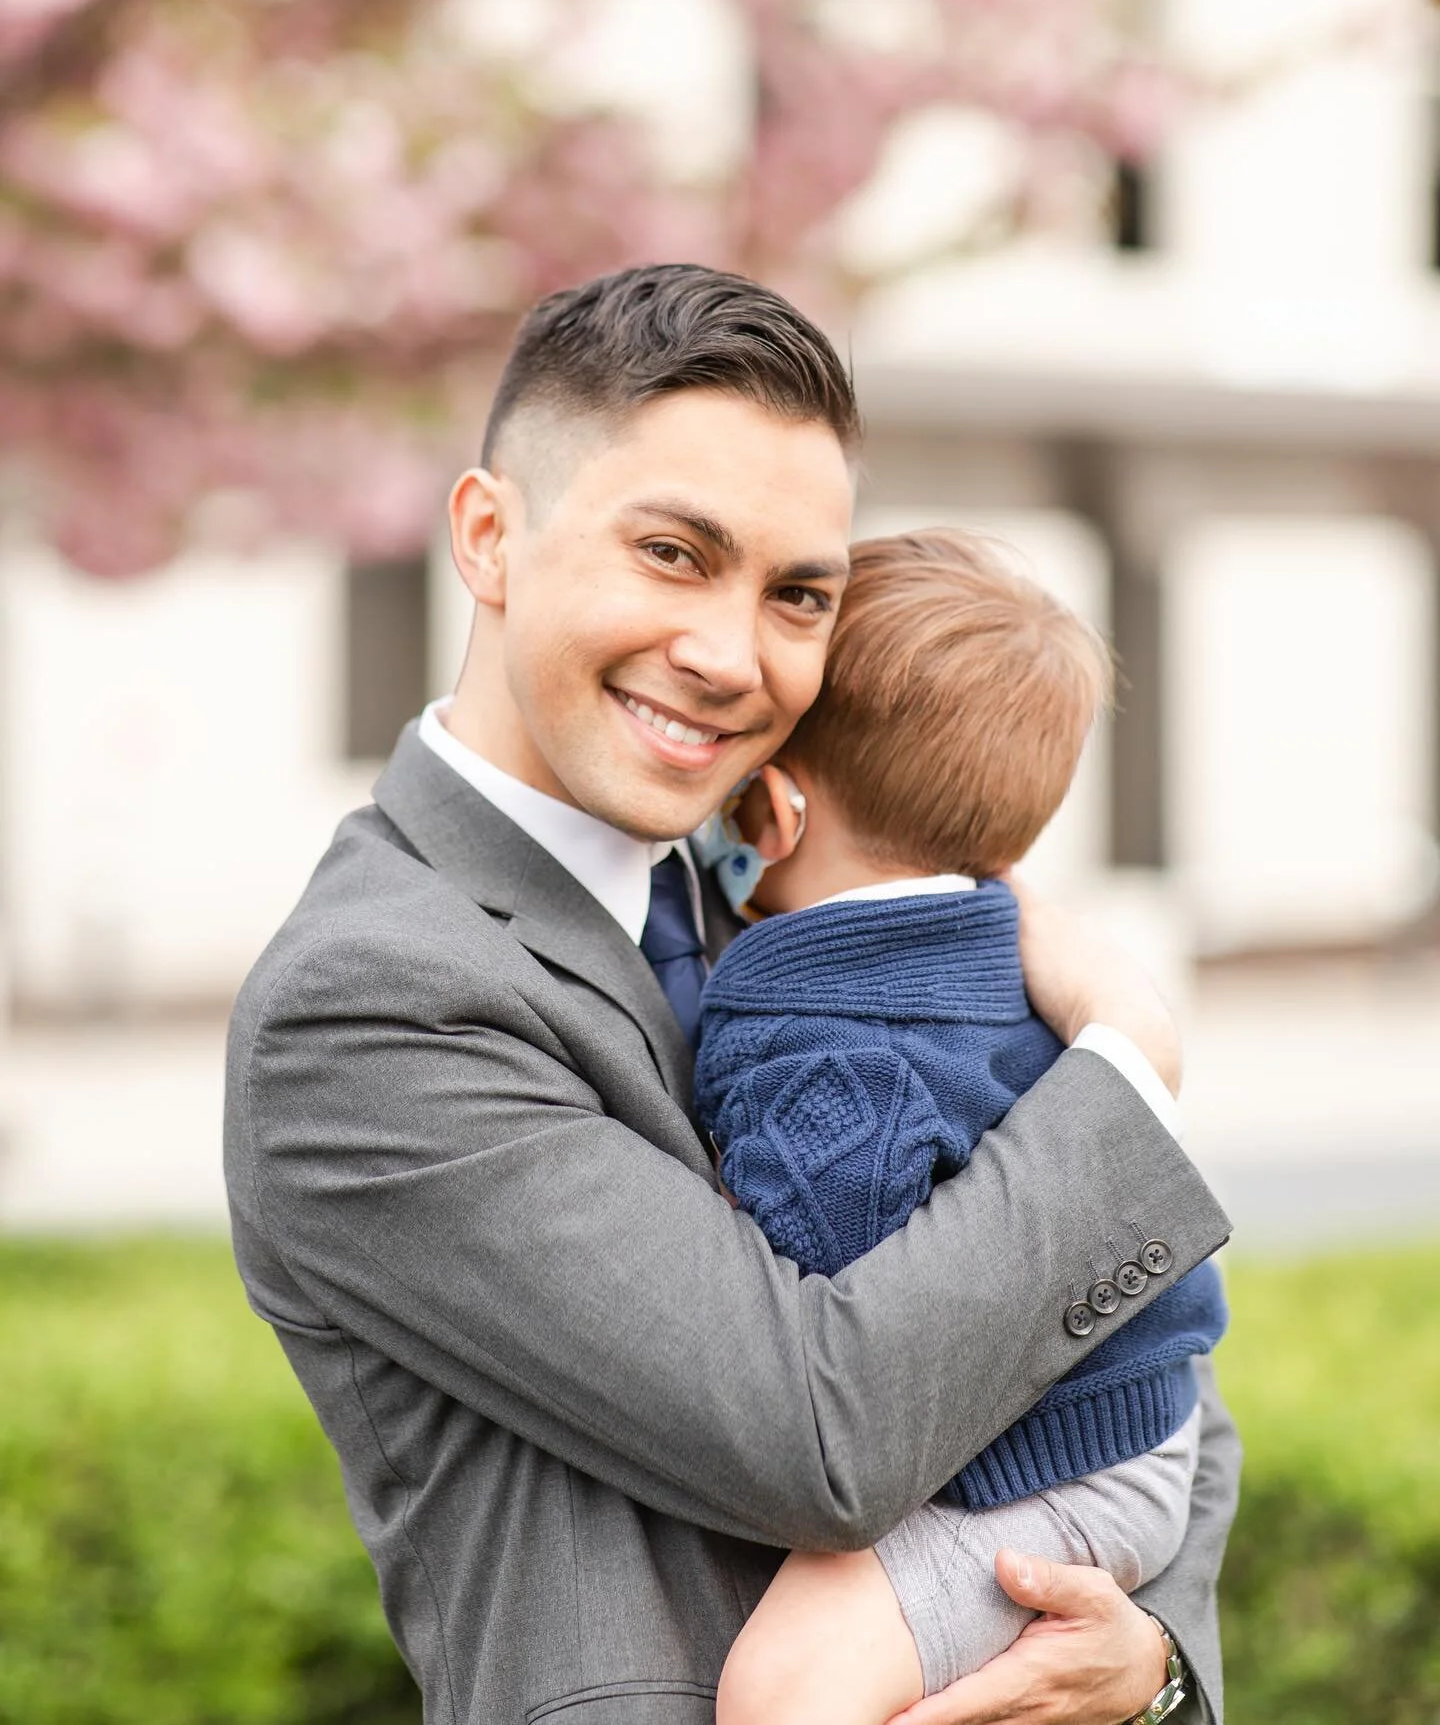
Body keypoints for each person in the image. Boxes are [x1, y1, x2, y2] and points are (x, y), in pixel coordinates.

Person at [224, 264, 1239, 1725]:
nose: (729, 654)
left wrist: (1144, 1661)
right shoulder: (371, 998)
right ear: (490, 533)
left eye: (798, 592)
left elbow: (1151, 1359)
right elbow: (819, 1431)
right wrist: (1126, 1063)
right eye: (673, 551)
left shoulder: (802, 878)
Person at [690, 529, 1228, 1725]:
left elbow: (833, 1348)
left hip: (1041, 1476)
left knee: (781, 1696)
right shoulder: (1011, 943)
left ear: (771, 806)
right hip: (1132, 1425)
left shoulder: (821, 1038)